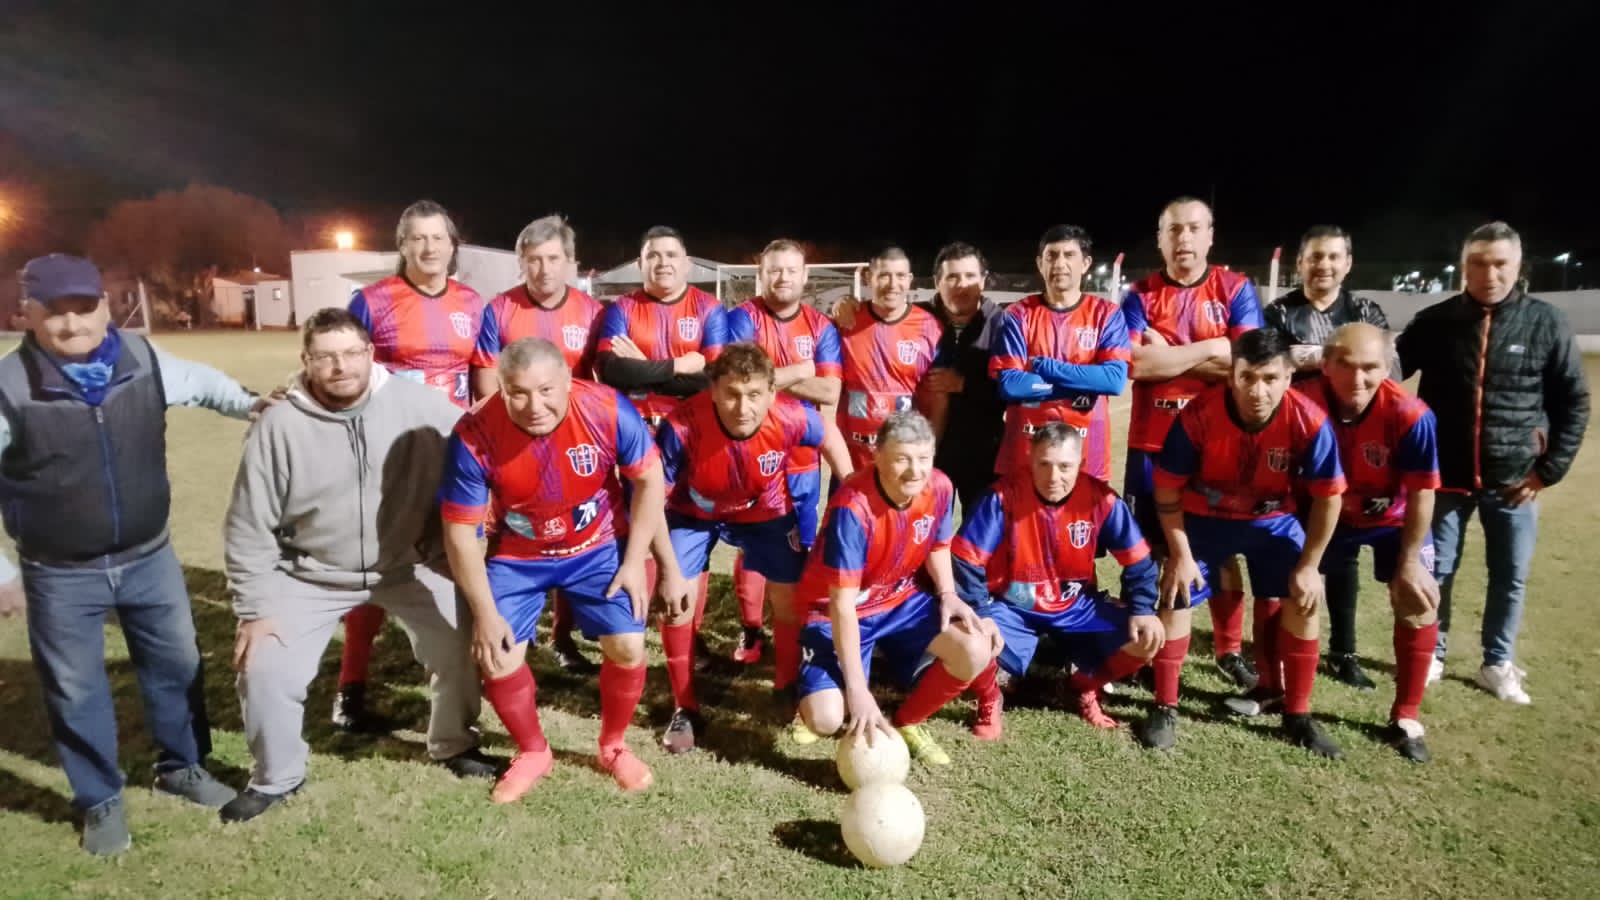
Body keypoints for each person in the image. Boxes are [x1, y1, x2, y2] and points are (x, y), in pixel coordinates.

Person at [0, 254, 267, 854]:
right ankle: (99, 799)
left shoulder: (142, 359)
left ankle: (182, 768)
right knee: (75, 689)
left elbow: (202, 383)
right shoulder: (9, 388)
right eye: (55, 312)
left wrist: (251, 404)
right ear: (28, 314)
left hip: (149, 557)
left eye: (83, 308)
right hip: (60, 572)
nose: (73, 325)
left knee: (178, 665)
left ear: (104, 307)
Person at [222, 309, 494, 823]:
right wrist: (254, 609)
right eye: (325, 357)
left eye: (351, 353)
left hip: (408, 563)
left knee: (461, 640)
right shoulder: (278, 425)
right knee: (264, 665)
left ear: (371, 354)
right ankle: (276, 776)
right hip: (311, 572)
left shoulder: (419, 406)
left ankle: (454, 743)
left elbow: (483, 437)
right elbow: (247, 525)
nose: (340, 366)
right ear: (306, 360)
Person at [440, 338, 665, 801]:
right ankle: (534, 751)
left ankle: (613, 746)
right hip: (518, 556)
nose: (534, 406)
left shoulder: (607, 409)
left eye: (545, 390)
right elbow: (460, 533)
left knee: (627, 645)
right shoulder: (474, 433)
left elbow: (649, 480)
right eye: (518, 393)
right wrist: (484, 614)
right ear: (501, 388)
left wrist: (634, 560)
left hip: (596, 546)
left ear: (567, 381)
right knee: (498, 654)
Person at [1396, 222, 1591, 703]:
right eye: (1478, 263)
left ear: (1518, 266)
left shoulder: (1546, 322)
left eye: (1500, 263)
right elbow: (1391, 370)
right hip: (1445, 478)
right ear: (1464, 267)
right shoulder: (1436, 321)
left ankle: (1497, 662)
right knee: (1436, 571)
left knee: (1510, 576)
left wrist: (1548, 471)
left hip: (1514, 481)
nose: (1489, 273)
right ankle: (1433, 652)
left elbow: (1574, 401)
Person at [1150, 328, 1346, 758]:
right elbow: (1166, 489)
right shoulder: (1199, 415)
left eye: (1270, 378)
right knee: (1175, 592)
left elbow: (1329, 497)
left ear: (1289, 377)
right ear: (1231, 376)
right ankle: (1165, 705)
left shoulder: (1309, 420)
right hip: (1205, 519)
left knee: (1304, 599)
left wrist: (1310, 565)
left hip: (1273, 522)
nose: (1258, 391)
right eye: (1248, 378)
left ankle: (1297, 714)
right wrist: (1180, 555)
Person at [337, 199, 487, 732]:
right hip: (392, 456)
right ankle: (350, 686)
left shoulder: (472, 302)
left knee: (460, 556)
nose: (429, 248)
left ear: (452, 245)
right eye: (417, 238)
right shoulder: (371, 302)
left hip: (453, 454)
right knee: (379, 567)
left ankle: (463, 668)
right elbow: (341, 373)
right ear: (401, 245)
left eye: (438, 238)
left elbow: (483, 380)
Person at [794, 411, 1003, 767]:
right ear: (877, 455)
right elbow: (842, 605)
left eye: (924, 458)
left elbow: (937, 544)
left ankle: (908, 721)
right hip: (835, 611)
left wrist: (948, 594)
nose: (915, 471)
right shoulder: (852, 507)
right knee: (825, 720)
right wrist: (858, 692)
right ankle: (814, 694)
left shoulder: (939, 486)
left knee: (975, 648)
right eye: (902, 458)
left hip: (900, 600)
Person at [650, 343, 828, 752]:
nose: (743, 407)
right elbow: (653, 499)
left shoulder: (791, 414)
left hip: (765, 511)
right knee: (677, 600)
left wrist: (851, 484)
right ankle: (685, 706)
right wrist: (667, 569)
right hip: (693, 514)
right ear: (713, 390)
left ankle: (785, 684)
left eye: (754, 395)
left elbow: (828, 436)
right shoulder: (682, 425)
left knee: (790, 596)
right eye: (731, 394)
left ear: (771, 393)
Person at [1122, 196, 1264, 691]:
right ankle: (1148, 651)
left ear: (1210, 235)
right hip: (1151, 446)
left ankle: (1228, 650)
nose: (1184, 238)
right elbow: (1136, 364)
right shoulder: (1139, 295)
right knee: (1148, 552)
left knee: (1219, 550)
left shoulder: (1236, 289)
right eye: (1174, 229)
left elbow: (1247, 365)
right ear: (1160, 239)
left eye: (1193, 228)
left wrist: (1172, 356)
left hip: (1216, 446)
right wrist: (1212, 348)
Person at [952, 424, 1163, 738]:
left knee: (1149, 635)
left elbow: (1140, 560)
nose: (1053, 477)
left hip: (1076, 607)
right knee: (972, 637)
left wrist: (1143, 607)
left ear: (1080, 464)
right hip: (1013, 607)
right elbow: (966, 560)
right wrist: (981, 611)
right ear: (1030, 459)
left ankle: (1084, 686)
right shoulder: (1001, 497)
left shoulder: (1101, 500)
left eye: (1064, 467)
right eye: (1044, 464)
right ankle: (990, 699)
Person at [1296, 324, 1442, 761]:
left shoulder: (1410, 414)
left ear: (1387, 367)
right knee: (1298, 594)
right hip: (1326, 514)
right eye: (1346, 365)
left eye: (1370, 368)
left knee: (1418, 598)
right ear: (1326, 364)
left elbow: (1422, 493)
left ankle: (1406, 716)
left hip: (1393, 520)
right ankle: (1294, 705)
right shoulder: (1301, 401)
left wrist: (1411, 561)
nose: (1358, 379)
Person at [471, 214, 606, 675]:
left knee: (572, 533)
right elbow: (485, 383)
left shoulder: (591, 311)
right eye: (533, 260)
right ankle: (504, 625)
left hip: (572, 443)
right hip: (512, 442)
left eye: (552, 258)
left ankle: (562, 636)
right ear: (521, 263)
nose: (544, 269)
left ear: (570, 261)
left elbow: (597, 384)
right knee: (510, 533)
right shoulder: (500, 309)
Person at [1263, 225, 1396, 688]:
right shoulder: (1279, 312)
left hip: (1351, 447)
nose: (1324, 265)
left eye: (1333, 257)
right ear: (1300, 263)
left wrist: (1310, 355)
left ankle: (1344, 651)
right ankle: (1284, 648)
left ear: (1347, 263)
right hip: (1292, 446)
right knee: (1287, 547)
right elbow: (1271, 366)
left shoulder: (1364, 311)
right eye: (1315, 257)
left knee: (1343, 553)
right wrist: (1334, 354)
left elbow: (1387, 367)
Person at [595, 225, 727, 666]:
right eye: (653, 255)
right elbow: (611, 370)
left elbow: (711, 380)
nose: (663, 262)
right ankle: (636, 617)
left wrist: (646, 367)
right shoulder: (622, 308)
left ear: (686, 262)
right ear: (641, 263)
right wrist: (677, 365)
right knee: (642, 529)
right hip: (636, 438)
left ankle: (690, 630)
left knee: (689, 535)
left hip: (692, 439)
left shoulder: (709, 309)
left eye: (671, 254)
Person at [725, 240, 854, 671]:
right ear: (761, 274)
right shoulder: (742, 319)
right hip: (750, 455)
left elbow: (830, 391)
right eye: (774, 270)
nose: (783, 277)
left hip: (802, 460)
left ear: (804, 276)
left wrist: (767, 377)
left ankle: (794, 632)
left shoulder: (820, 326)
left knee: (798, 546)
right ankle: (750, 628)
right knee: (751, 546)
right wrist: (801, 371)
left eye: (791, 270)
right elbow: (739, 380)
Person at [991, 225, 1130, 485]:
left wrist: (1047, 368)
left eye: (1069, 255)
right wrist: (1084, 382)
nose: (1059, 263)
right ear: (1040, 263)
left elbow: (1113, 381)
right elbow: (1011, 385)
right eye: (1051, 255)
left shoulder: (1107, 315)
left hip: (1088, 455)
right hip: (1025, 453)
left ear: (1085, 263)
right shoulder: (1017, 314)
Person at [835, 247, 944, 477]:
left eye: (900, 276)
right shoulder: (846, 321)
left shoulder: (929, 327)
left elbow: (939, 397)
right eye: (884, 275)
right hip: (851, 461)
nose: (893, 284)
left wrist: (928, 451)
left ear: (910, 279)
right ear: (868, 278)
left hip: (904, 460)